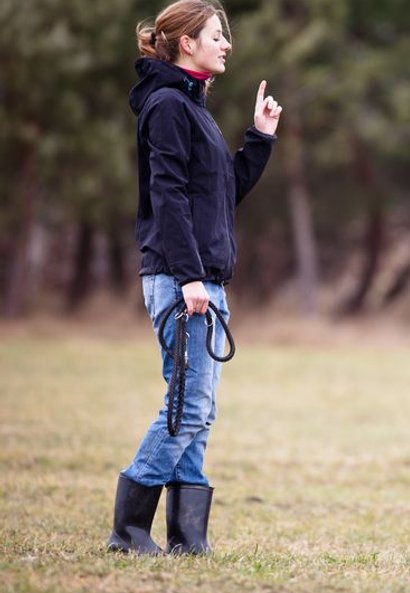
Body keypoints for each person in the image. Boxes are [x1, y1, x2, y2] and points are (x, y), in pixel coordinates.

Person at [107, 0, 281, 555]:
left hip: (202, 281)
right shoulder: (165, 106)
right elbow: (169, 196)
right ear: (187, 43)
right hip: (183, 281)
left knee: (198, 412)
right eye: (216, 35)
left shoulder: (192, 106)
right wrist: (188, 278)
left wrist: (258, 138)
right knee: (189, 406)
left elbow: (220, 194)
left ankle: (187, 537)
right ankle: (128, 529)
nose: (226, 43)